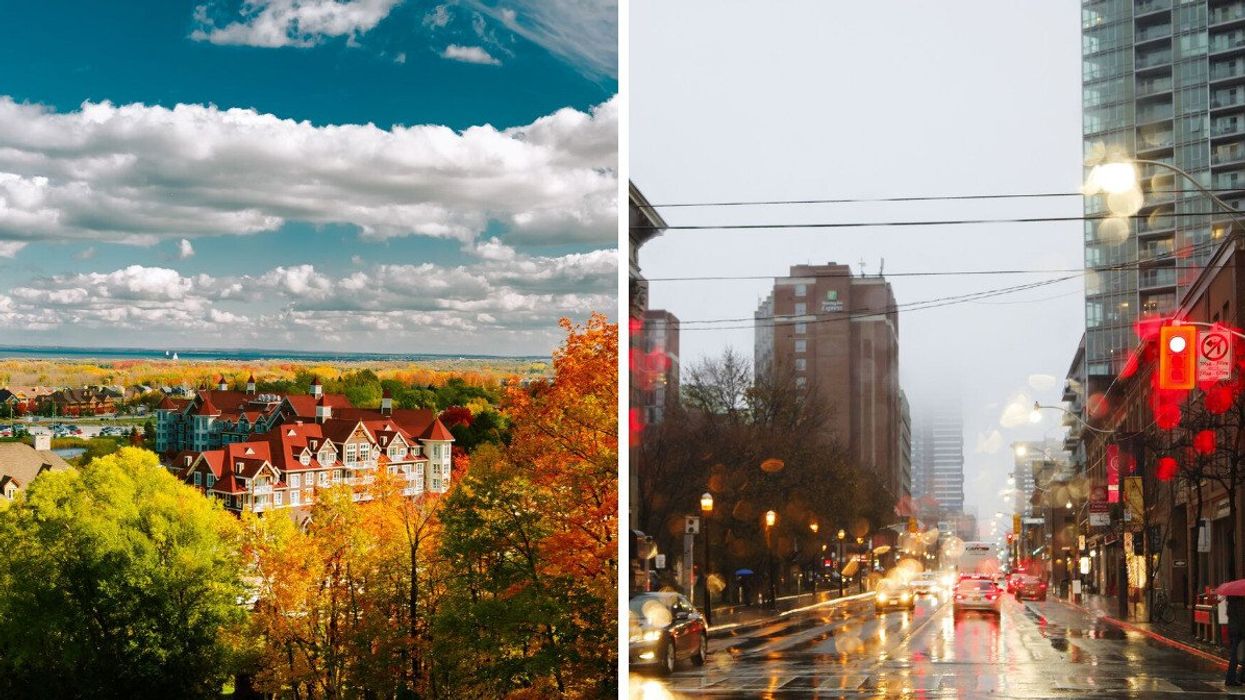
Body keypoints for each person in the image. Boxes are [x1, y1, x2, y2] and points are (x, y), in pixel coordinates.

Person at [1227, 595, 1245, 687]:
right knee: (1235, 656)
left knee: (1235, 655)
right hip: (1239, 632)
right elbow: (1242, 618)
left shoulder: (1231, 603)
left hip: (1233, 630)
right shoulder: (1240, 603)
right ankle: (1231, 679)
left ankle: (1239, 677)